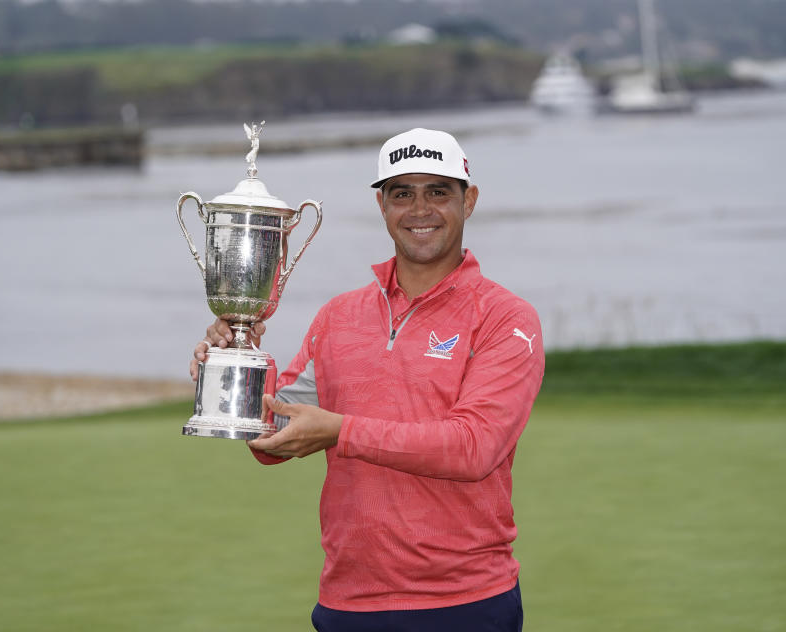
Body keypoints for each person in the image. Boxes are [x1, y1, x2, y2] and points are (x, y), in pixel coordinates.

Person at [190, 128, 545, 631]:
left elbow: (473, 448)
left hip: (463, 603)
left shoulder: (505, 317)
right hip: (346, 604)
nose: (420, 209)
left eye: (438, 192)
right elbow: (271, 440)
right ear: (383, 206)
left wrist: (341, 431)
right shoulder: (340, 316)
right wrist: (237, 364)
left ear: (470, 201)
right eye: (402, 193)